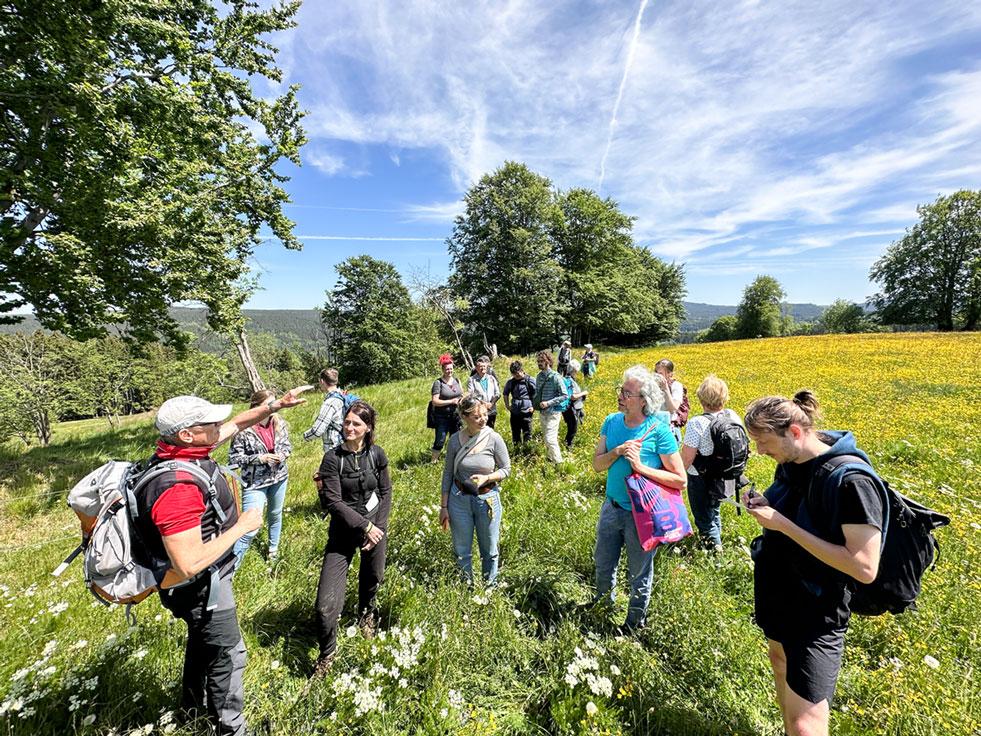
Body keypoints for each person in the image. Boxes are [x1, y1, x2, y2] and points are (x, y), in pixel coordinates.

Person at [135, 386, 310, 736]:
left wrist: (274, 406)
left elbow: (235, 424)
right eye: (210, 423)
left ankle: (189, 710)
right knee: (230, 654)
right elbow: (187, 562)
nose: (220, 427)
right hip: (202, 588)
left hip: (202, 584)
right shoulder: (177, 487)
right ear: (187, 433)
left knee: (202, 643)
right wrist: (243, 525)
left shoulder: (184, 452)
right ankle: (231, 729)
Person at [742, 391, 884, 736]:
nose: (759, 451)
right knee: (780, 663)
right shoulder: (791, 464)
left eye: (763, 441)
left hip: (816, 613)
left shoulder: (852, 482)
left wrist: (782, 525)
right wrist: (765, 504)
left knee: (807, 726)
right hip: (779, 599)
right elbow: (790, 510)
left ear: (793, 432)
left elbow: (865, 567)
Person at [591, 365, 686, 632]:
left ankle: (634, 624)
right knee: (603, 563)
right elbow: (597, 465)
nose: (620, 396)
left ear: (643, 400)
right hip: (612, 507)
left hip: (641, 515)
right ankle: (602, 607)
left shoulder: (659, 431)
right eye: (621, 390)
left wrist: (641, 468)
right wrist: (618, 452)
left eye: (627, 393)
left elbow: (681, 480)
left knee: (639, 573)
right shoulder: (611, 422)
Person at [311, 400, 393, 680]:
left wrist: (377, 529)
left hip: (374, 529)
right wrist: (365, 526)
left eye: (356, 423)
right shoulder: (332, 459)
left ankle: (366, 614)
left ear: (367, 428)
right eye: (347, 422)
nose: (349, 427)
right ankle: (327, 654)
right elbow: (332, 501)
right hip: (343, 532)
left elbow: (385, 493)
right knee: (324, 606)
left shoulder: (377, 455)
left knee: (373, 576)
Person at [439, 395, 511, 585]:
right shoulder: (455, 440)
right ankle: (466, 586)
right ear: (464, 416)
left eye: (485, 415)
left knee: (490, 549)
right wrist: (443, 507)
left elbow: (506, 469)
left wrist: (487, 478)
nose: (483, 419)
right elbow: (447, 474)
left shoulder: (494, 438)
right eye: (477, 417)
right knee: (462, 550)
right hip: (458, 500)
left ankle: (490, 587)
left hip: (487, 499)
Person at [230, 389, 293, 566]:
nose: (273, 408)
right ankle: (232, 565)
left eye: (275, 403)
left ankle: (273, 551)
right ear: (256, 407)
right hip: (254, 483)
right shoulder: (243, 430)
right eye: (268, 404)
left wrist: (282, 455)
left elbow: (287, 447)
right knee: (250, 526)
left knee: (275, 514)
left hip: (279, 477)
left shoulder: (280, 424)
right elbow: (234, 460)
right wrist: (260, 458)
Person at [681, 375, 742, 551]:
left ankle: (715, 556)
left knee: (704, 518)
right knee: (714, 510)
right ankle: (717, 543)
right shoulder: (732, 416)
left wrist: (675, 478)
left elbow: (687, 458)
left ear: (701, 398)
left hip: (700, 477)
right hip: (726, 475)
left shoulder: (696, 423)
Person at [533, 350, 568, 463]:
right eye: (538, 361)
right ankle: (550, 459)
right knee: (546, 438)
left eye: (542, 361)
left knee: (550, 439)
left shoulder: (556, 377)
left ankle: (559, 463)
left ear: (548, 361)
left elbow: (564, 395)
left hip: (553, 413)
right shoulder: (539, 376)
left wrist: (548, 403)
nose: (539, 363)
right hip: (542, 413)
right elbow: (537, 393)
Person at [431, 354, 463, 463]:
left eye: (451, 368)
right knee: (440, 440)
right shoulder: (438, 383)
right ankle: (433, 462)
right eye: (447, 369)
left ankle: (454, 460)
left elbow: (461, 395)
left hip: (456, 415)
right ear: (443, 369)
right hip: (442, 417)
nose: (449, 371)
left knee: (456, 439)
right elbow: (435, 401)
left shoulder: (457, 381)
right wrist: (451, 401)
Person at [304, 368, 345, 452]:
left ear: (322, 381)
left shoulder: (330, 402)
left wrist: (305, 436)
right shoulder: (343, 396)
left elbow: (318, 430)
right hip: (344, 442)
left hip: (334, 447)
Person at [502, 360, 536, 447]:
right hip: (515, 411)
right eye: (514, 374)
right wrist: (507, 405)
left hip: (527, 410)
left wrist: (534, 407)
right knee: (515, 432)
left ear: (522, 370)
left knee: (527, 432)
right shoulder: (511, 382)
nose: (516, 376)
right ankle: (517, 450)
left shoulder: (530, 380)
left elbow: (537, 394)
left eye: (517, 374)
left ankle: (527, 449)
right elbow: (505, 393)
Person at [654, 358, 686, 444]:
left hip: (669, 427)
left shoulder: (676, 386)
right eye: (656, 372)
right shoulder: (653, 386)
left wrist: (666, 389)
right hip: (653, 426)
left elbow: (673, 408)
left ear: (670, 374)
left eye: (660, 373)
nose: (657, 376)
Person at [467, 355, 502, 429]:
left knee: (490, 430)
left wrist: (491, 403)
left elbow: (498, 393)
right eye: (480, 366)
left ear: (487, 367)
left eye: (484, 366)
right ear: (476, 368)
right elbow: (471, 394)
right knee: (480, 430)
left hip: (491, 410)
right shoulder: (472, 380)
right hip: (479, 411)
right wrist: (483, 403)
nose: (483, 368)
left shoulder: (491, 378)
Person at [562, 359, 589, 450]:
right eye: (577, 370)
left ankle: (567, 445)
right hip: (571, 409)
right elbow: (572, 396)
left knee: (572, 428)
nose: (578, 372)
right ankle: (568, 448)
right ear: (574, 370)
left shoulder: (567, 379)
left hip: (570, 408)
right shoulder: (569, 380)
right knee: (572, 429)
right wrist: (583, 393)